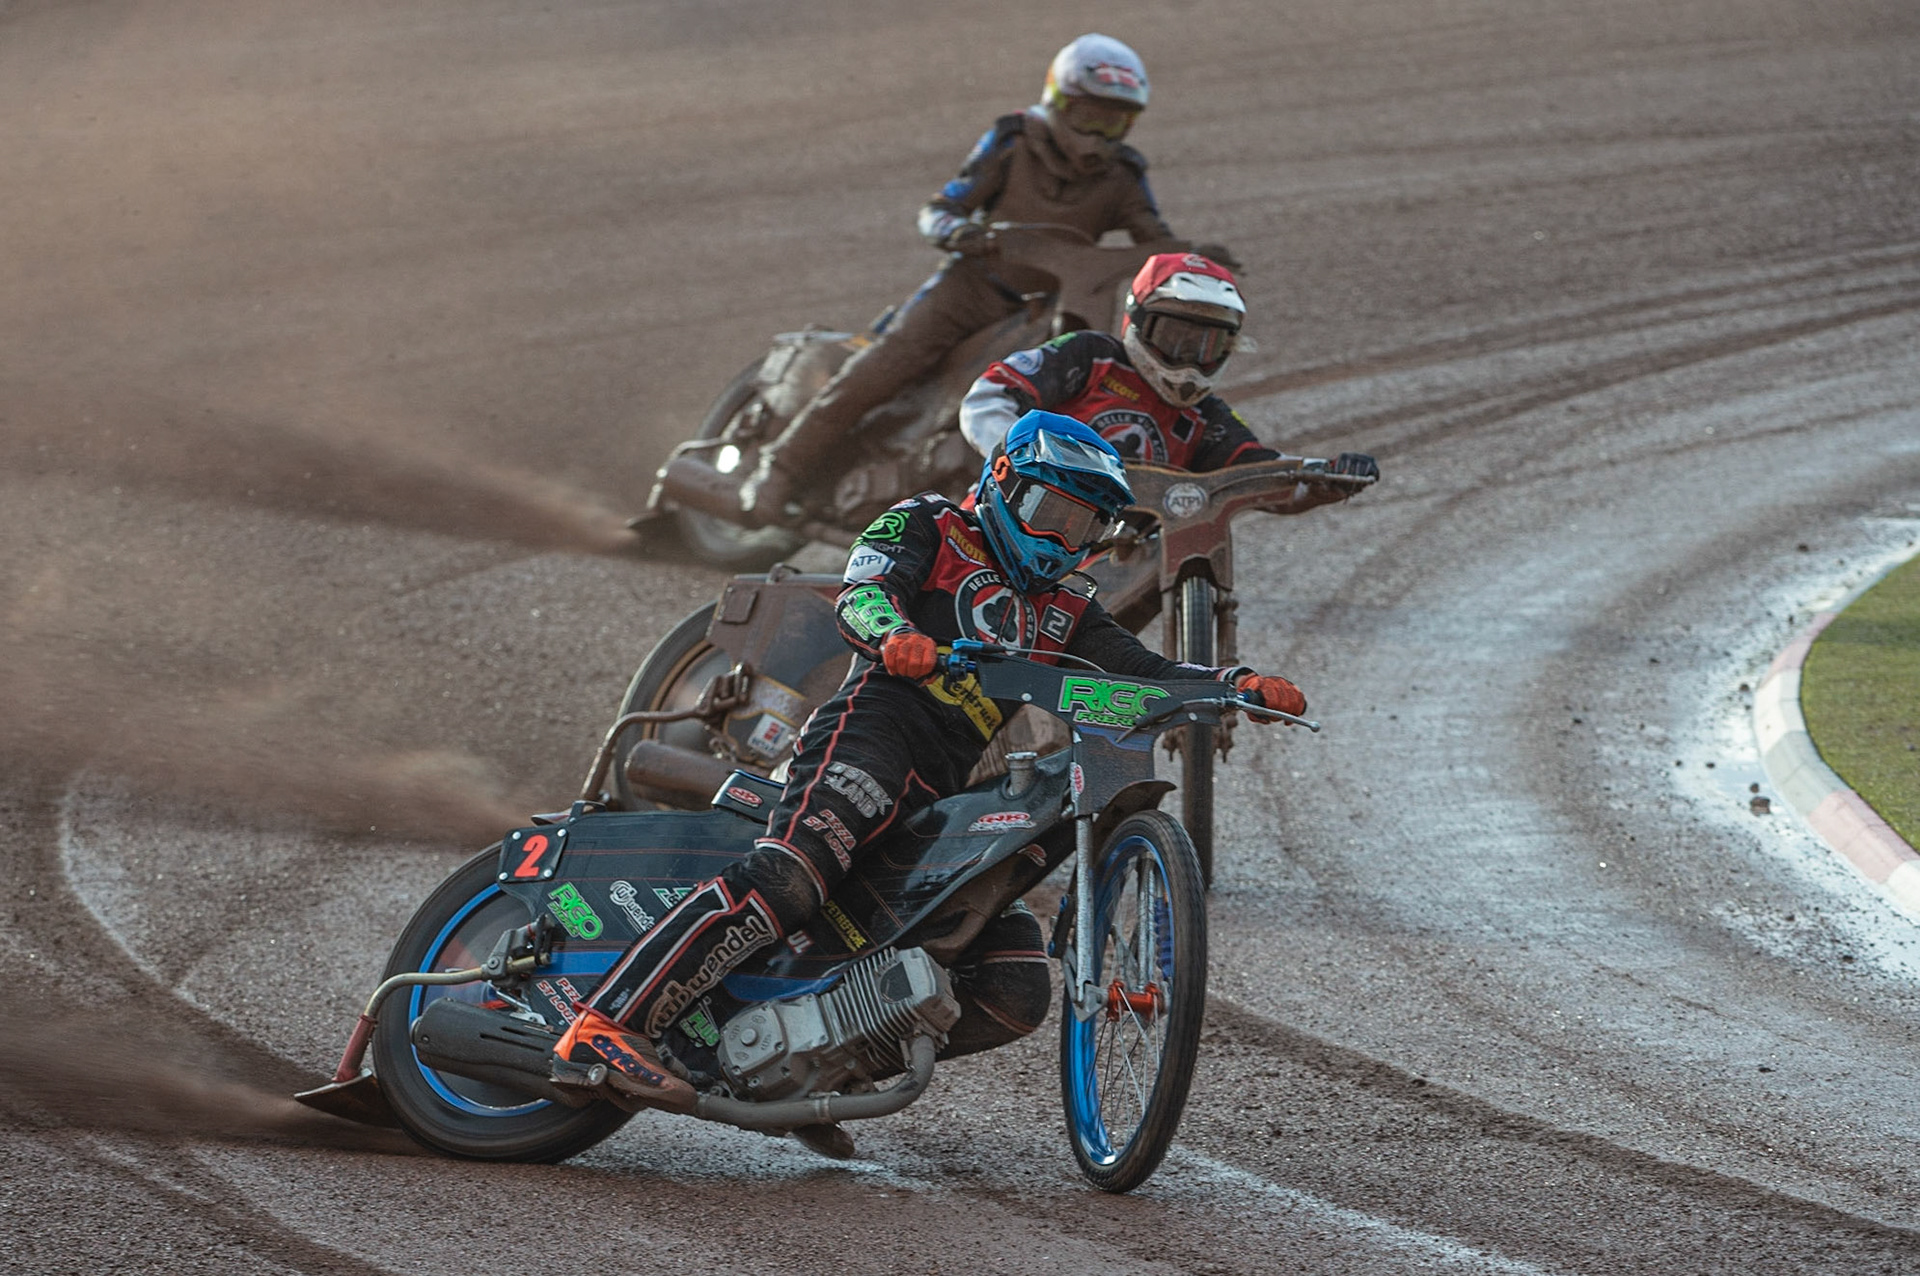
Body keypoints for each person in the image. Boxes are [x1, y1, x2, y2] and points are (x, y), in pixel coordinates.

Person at [554, 411, 1309, 1121]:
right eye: (1053, 513)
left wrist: (1228, 685)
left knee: (1014, 986)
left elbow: (1140, 672)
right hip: (874, 731)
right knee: (791, 876)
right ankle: (606, 1020)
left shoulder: (1067, 609)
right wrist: (892, 634)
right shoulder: (931, 523)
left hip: (951, 786)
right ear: (1004, 478)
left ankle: (816, 1071)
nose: (1063, 538)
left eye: (1084, 527)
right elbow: (865, 591)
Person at [736, 33, 1210, 525]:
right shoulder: (1012, 141)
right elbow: (941, 207)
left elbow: (1154, 239)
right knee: (889, 362)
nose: (1098, 134)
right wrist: (957, 230)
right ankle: (779, 469)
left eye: (1114, 122)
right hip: (971, 288)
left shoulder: (1124, 175)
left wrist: (1192, 265)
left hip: (1046, 306)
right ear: (1060, 102)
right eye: (1090, 116)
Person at [961, 250, 1381, 494]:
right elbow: (990, 396)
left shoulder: (1205, 417)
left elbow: (1257, 471)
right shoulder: (1091, 356)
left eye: (1207, 345)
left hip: (1114, 552)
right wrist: (1018, 452)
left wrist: (1324, 475)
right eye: (1176, 337)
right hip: (1012, 517)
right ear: (1139, 321)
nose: (1188, 359)